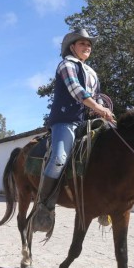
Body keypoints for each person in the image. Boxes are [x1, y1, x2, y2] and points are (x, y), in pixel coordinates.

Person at [30, 28, 115, 233]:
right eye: (82, 43)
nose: (87, 47)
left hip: (86, 122)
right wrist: (98, 107)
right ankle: (44, 205)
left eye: (89, 45)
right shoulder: (66, 64)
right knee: (60, 158)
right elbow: (77, 91)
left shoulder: (92, 72)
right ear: (72, 47)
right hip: (65, 121)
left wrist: (103, 105)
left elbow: (96, 96)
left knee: (113, 148)